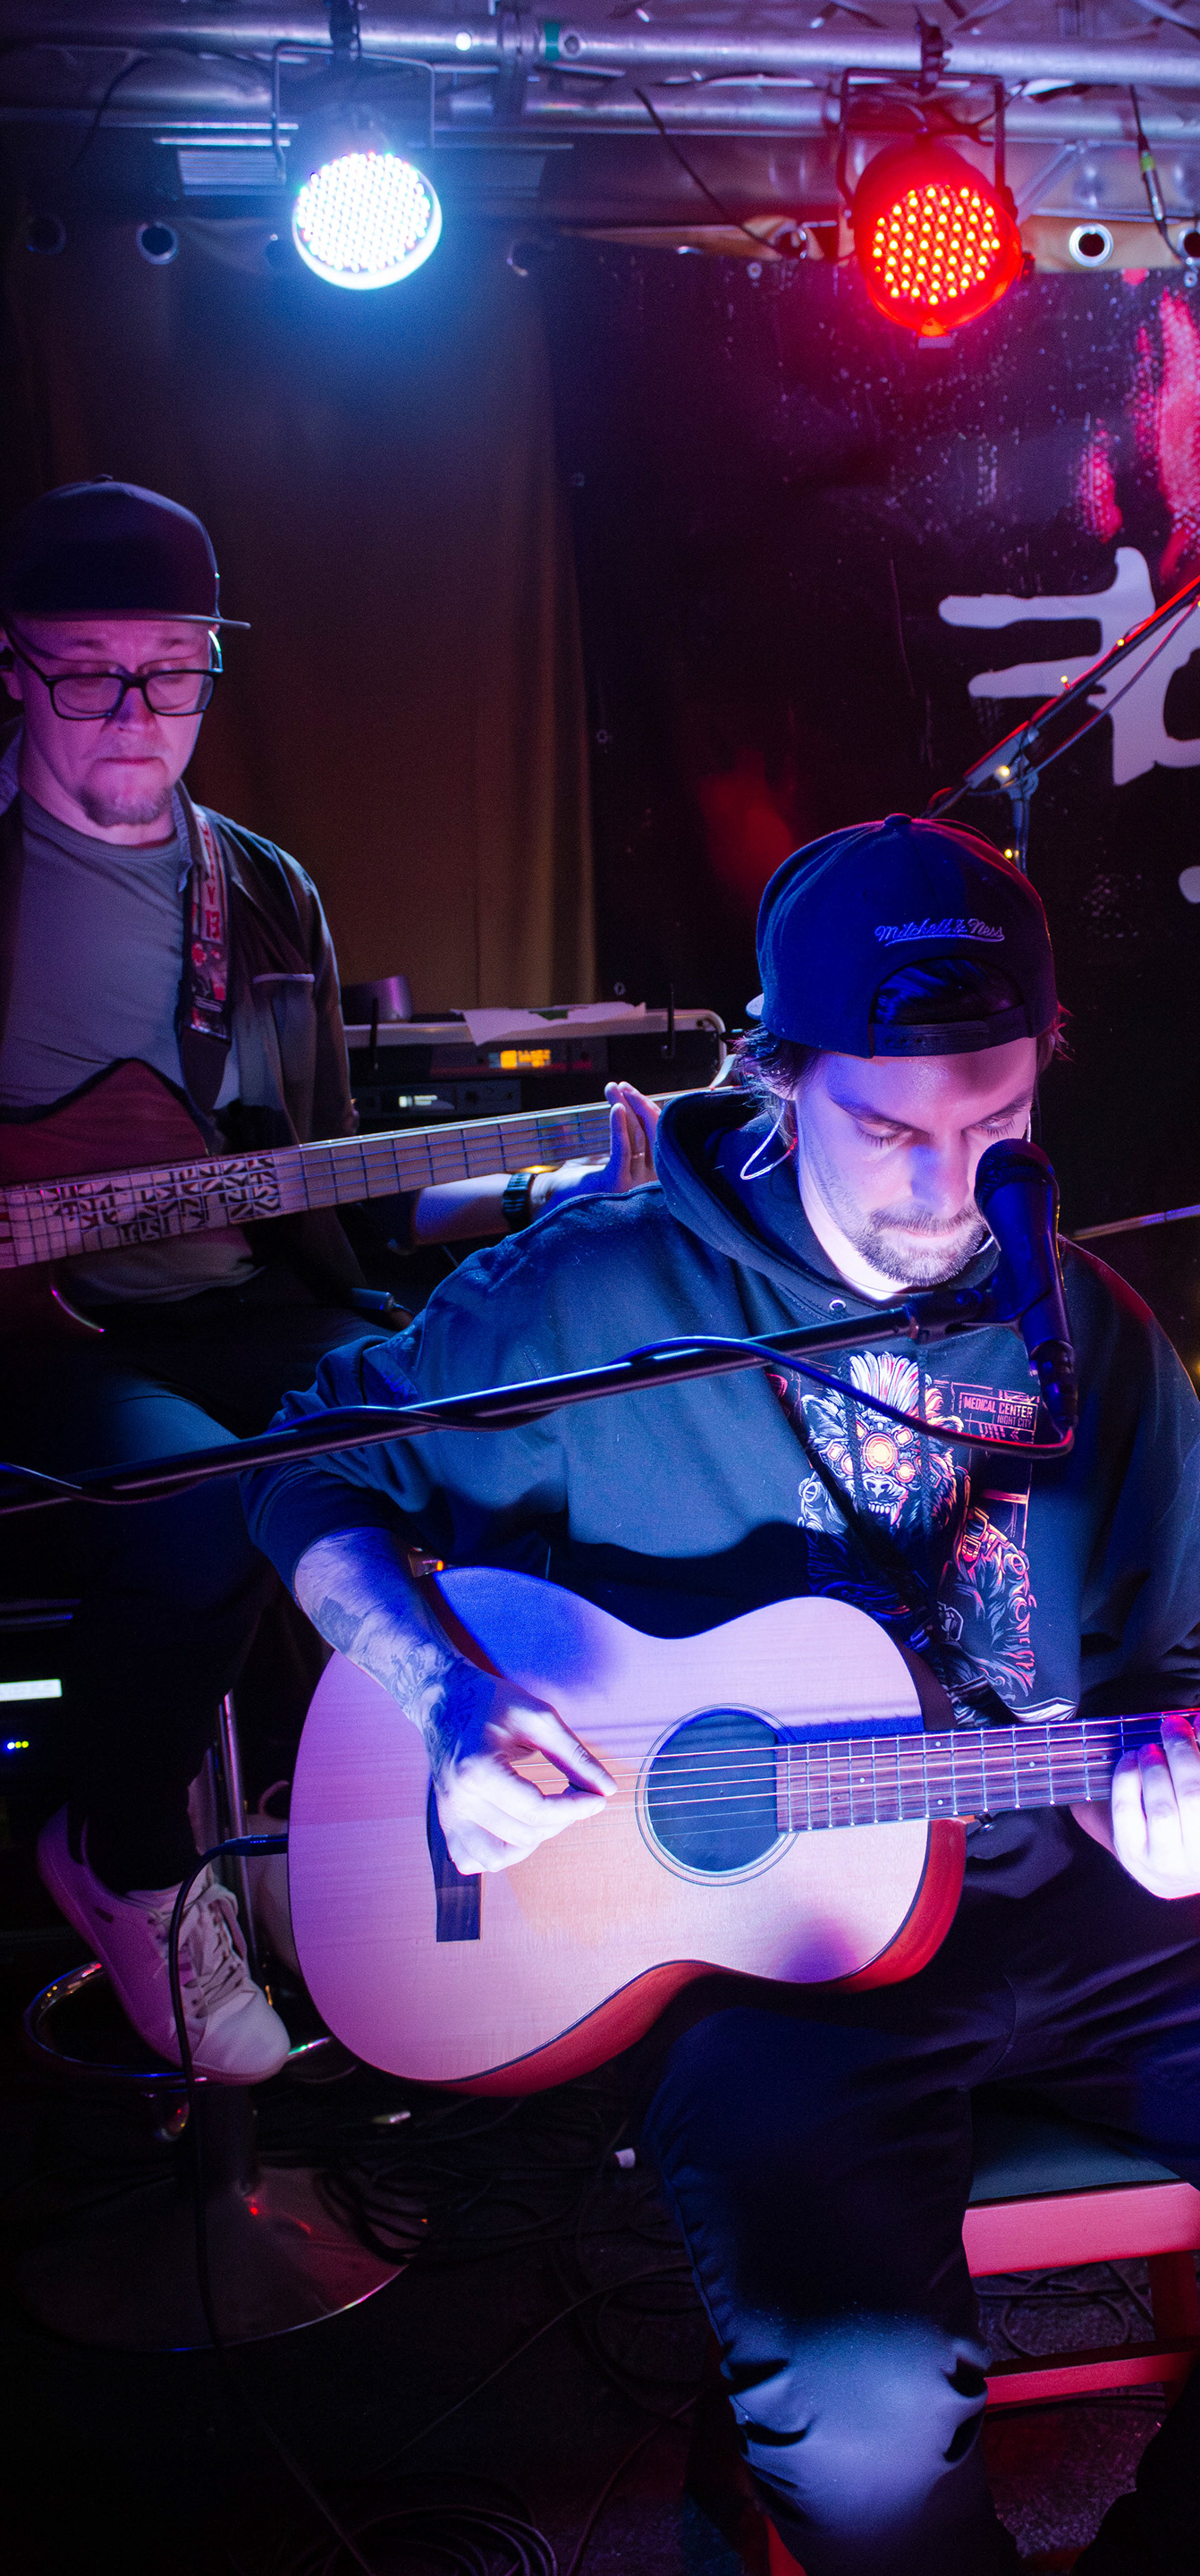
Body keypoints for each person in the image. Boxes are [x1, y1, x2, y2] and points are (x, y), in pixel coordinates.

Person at [244, 816, 1200, 2576]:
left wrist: (1179, 1814)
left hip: (1063, 1913)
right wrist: (439, 1697)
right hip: (769, 1980)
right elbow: (310, 1470)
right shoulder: (590, 1296)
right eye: (888, 1131)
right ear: (780, 1080)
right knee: (861, 2415)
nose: (946, 1193)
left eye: (995, 1126)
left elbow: (1153, 1680)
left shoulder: (1093, 1334)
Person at [0, 479, 656, 2081]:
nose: (138, 712)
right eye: (90, 672)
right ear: (12, 665)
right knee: (201, 1499)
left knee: (486, 1419)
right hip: (37, 1350)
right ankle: (127, 1854)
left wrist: (539, 1192)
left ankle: (393, 1824)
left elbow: (331, 1184)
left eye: (175, 668)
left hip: (246, 1306)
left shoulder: (263, 892)